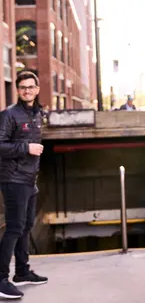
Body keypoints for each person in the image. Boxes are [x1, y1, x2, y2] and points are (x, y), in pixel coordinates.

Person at [0, 71, 48, 300]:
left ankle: (21, 271)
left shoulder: (37, 114)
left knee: (27, 225)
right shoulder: (9, 114)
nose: (27, 90)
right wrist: (25, 149)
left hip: (30, 180)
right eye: (23, 87)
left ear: (37, 89)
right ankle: (1, 279)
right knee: (14, 228)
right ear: (18, 90)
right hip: (13, 180)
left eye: (31, 87)